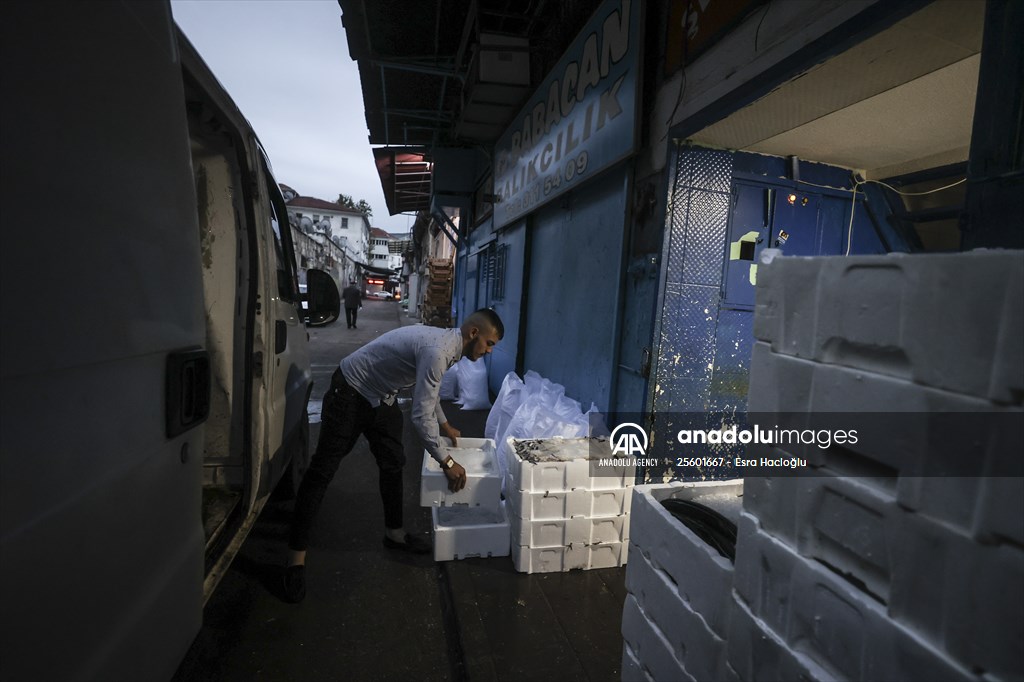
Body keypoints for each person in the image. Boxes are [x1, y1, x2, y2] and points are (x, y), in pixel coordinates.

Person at [282, 308, 504, 603]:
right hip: (350, 390)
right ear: (474, 333)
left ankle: (394, 533)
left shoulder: (447, 347)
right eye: (489, 343)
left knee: (393, 463)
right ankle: (295, 560)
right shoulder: (439, 350)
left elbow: (429, 387)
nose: (489, 351)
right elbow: (420, 415)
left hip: (382, 397)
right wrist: (447, 461)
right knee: (322, 469)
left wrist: (445, 424)